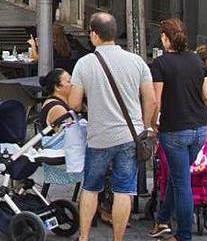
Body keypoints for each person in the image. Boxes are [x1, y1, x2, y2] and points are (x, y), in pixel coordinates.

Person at [67, 12, 157, 241]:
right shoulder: (136, 61)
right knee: (124, 190)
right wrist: (144, 126)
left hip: (99, 137)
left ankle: (84, 237)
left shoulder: (84, 64)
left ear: (95, 35)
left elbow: (74, 103)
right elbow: (151, 99)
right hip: (131, 136)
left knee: (91, 188)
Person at [148, 19, 207, 241]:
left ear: (165, 38)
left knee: (181, 181)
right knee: (177, 175)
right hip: (200, 128)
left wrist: (151, 125)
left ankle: (183, 235)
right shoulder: (196, 60)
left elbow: (156, 101)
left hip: (174, 130)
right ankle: (162, 220)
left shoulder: (161, 63)